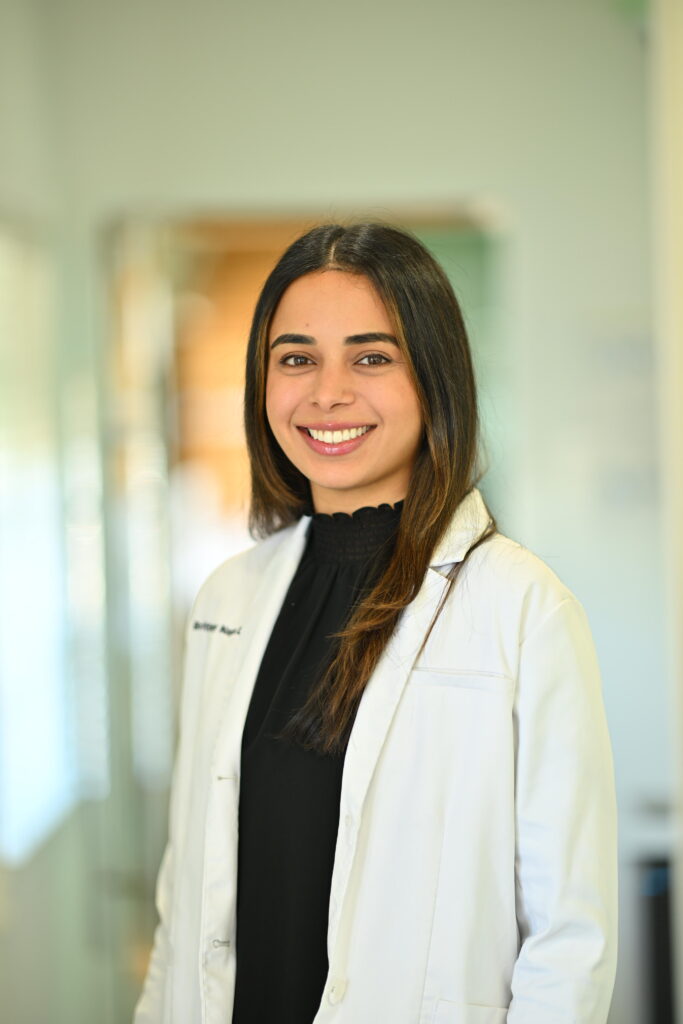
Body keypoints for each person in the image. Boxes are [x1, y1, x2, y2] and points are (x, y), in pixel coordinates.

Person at [133, 222, 618, 1024]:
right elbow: (185, 886)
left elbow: (568, 941)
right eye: (295, 359)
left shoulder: (520, 608)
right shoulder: (227, 598)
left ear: (434, 376)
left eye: (371, 357)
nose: (327, 393)